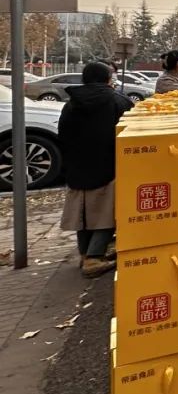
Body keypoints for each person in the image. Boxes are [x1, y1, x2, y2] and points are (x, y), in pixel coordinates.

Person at [58, 61, 134, 277]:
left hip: (77, 164)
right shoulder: (119, 101)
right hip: (108, 164)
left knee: (82, 212)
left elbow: (63, 133)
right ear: (108, 78)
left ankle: (84, 254)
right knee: (107, 211)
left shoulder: (71, 104)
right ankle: (94, 257)